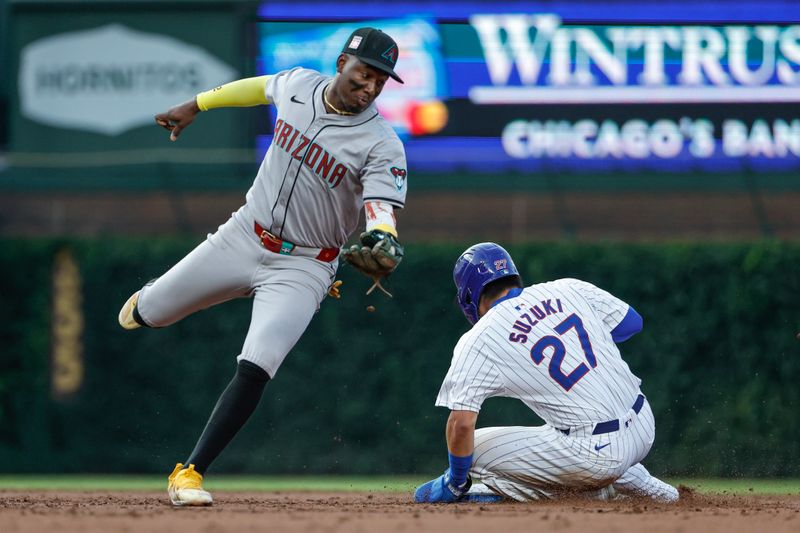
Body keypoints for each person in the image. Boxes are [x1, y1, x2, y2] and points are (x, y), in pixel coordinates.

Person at [117, 27, 407, 506]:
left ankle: (189, 472)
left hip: (306, 267)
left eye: (381, 80)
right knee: (150, 313)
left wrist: (383, 239)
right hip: (243, 234)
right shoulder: (297, 84)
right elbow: (255, 88)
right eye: (365, 73)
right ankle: (152, 297)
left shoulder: (381, 143)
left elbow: (381, 212)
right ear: (341, 64)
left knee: (258, 363)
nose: (371, 87)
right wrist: (195, 105)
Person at [414, 243, 679, 504]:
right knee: (564, 429)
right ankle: (649, 488)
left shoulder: (480, 338)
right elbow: (632, 323)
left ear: (468, 297)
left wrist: (455, 482)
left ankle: (594, 492)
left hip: (596, 456)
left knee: (473, 449)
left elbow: (460, 424)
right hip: (644, 424)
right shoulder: (567, 287)